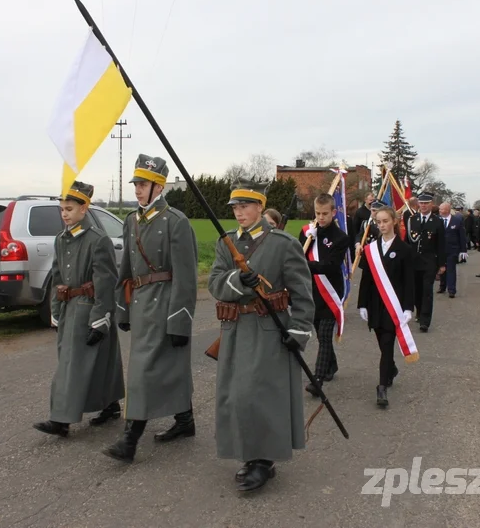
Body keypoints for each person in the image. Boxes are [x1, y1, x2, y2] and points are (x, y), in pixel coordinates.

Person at [207, 177, 315, 492]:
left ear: (260, 207)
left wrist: (298, 330)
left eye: (245, 206)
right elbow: (214, 283)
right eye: (235, 208)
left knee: (262, 395)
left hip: (270, 328)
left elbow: (302, 293)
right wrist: (240, 280)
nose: (239, 213)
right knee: (236, 396)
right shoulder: (225, 242)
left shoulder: (282, 243)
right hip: (236, 329)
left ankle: (263, 461)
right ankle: (248, 454)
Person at [103, 154, 198, 463]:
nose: (138, 190)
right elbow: (126, 271)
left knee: (143, 373)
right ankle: (185, 421)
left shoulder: (176, 221)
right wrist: (123, 309)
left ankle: (130, 439)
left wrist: (180, 321)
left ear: (159, 186)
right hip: (142, 305)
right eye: (136, 185)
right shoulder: (131, 221)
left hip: (166, 303)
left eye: (143, 185)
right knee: (167, 367)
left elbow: (186, 276)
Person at [33, 181, 125, 438]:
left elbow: (105, 282)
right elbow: (57, 275)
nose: (65, 214)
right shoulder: (60, 239)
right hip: (68, 306)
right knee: (95, 360)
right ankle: (110, 405)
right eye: (62, 209)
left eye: (70, 209)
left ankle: (60, 420)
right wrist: (55, 309)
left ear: (84, 209)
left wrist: (101, 318)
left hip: (90, 308)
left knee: (73, 365)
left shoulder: (98, 240)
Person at [357, 206, 414, 407]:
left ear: (394, 222)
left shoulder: (405, 250)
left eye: (385, 221)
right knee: (382, 343)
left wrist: (408, 307)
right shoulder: (370, 249)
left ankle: (381, 388)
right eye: (378, 222)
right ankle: (391, 369)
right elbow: (366, 279)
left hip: (393, 305)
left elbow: (409, 281)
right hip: (374, 304)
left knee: (388, 344)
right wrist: (361, 304)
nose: (381, 225)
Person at [299, 193, 350, 396]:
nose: (321, 218)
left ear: (333, 212)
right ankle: (332, 365)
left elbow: (329, 266)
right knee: (321, 334)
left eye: (325, 214)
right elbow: (297, 253)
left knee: (326, 336)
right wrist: (307, 238)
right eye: (318, 213)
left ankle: (317, 380)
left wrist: (305, 264)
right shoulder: (308, 232)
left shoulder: (341, 238)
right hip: (312, 290)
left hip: (330, 290)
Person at [405, 192, 445, 332]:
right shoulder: (412, 220)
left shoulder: (437, 221)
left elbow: (441, 244)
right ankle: (420, 311)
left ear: (431, 204)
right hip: (414, 261)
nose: (423, 206)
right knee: (416, 290)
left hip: (429, 262)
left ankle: (425, 320)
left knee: (427, 290)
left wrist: (442, 264)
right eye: (421, 203)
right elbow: (407, 242)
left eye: (426, 203)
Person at [436, 202, 468, 298]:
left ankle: (451, 290)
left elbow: (462, 236)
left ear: (447, 210)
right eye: (439, 209)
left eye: (442, 209)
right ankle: (442, 286)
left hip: (452, 250)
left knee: (451, 269)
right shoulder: (437, 220)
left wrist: (463, 250)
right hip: (440, 250)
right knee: (442, 269)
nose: (440, 211)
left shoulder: (457, 221)